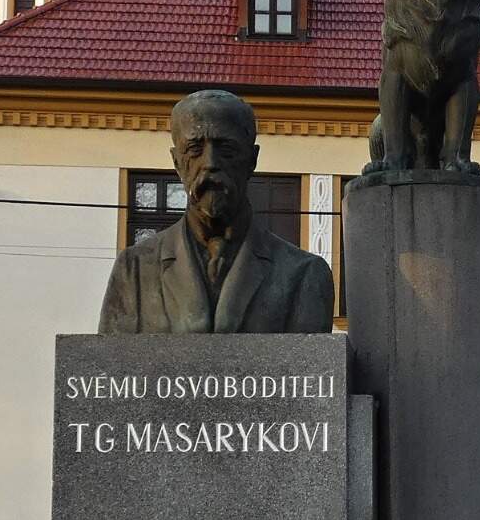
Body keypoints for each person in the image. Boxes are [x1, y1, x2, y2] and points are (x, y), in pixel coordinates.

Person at [98, 89, 334, 335]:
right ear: (177, 161)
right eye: (194, 149)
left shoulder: (303, 274)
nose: (210, 163)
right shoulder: (134, 270)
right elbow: (107, 369)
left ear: (252, 159)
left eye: (227, 149)